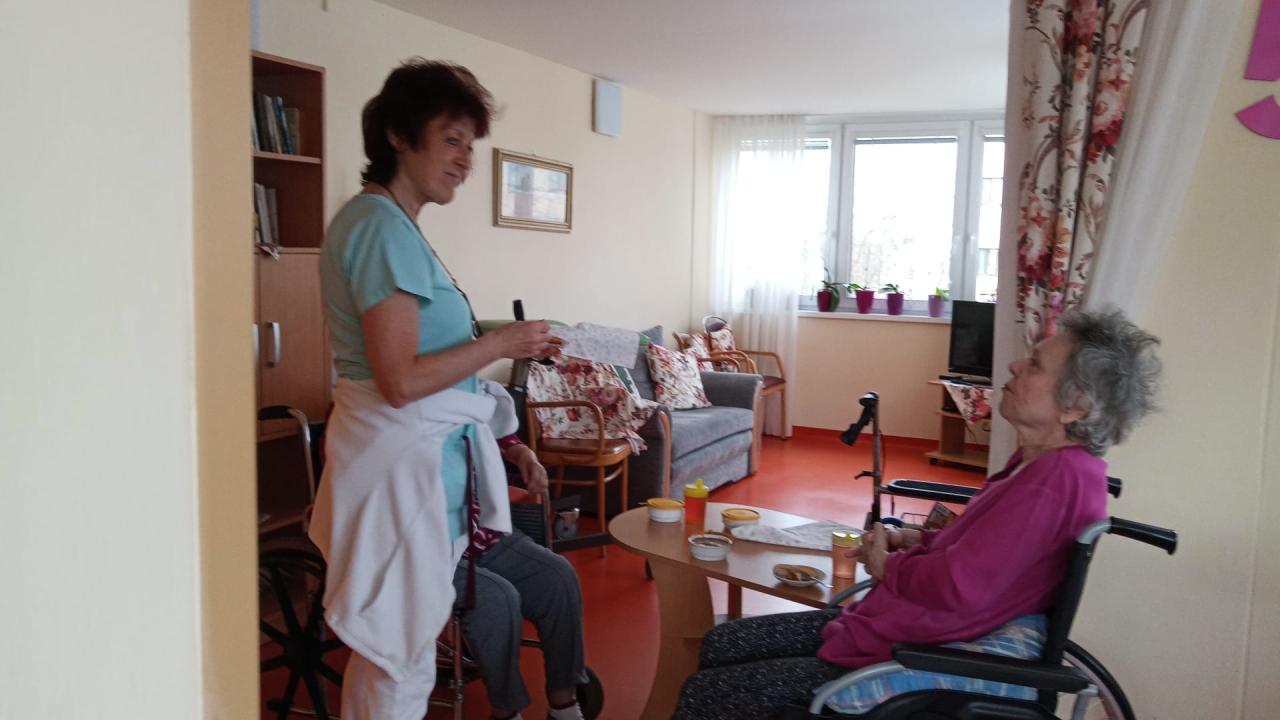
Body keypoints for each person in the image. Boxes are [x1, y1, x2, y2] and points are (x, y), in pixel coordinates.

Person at [674, 308, 1162, 719]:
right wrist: (917, 541)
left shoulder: (1054, 481)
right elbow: (987, 557)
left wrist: (887, 565)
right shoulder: (1040, 466)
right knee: (723, 643)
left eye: (1035, 364)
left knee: (708, 692)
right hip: (900, 626)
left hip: (911, 645)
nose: (1015, 365)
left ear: (1076, 407)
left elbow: (959, 585)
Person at [307, 59, 573, 720]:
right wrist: (500, 346)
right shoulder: (378, 227)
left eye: (470, 145)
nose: (464, 160)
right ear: (399, 135)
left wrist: (511, 341)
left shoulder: (393, 226)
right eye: (451, 139)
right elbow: (399, 382)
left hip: (421, 475)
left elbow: (424, 349)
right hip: (402, 476)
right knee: (400, 660)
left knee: (401, 656)